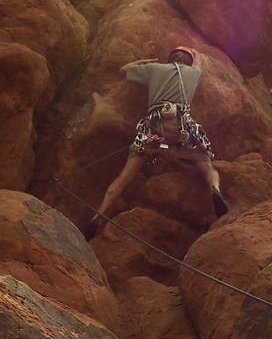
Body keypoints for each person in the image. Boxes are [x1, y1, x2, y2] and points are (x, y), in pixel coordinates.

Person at [83, 46, 228, 240]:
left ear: (170, 59)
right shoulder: (194, 72)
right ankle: (215, 189)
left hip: (154, 128)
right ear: (188, 61)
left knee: (124, 176)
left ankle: (97, 216)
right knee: (207, 166)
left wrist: (144, 62)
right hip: (182, 128)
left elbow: (123, 70)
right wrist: (196, 55)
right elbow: (199, 63)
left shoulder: (155, 69)